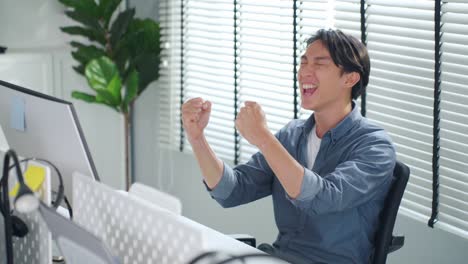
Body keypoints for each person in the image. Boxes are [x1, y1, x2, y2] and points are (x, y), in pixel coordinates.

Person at [181, 28, 396, 264]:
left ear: (350, 78)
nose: (305, 72)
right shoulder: (292, 136)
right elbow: (232, 191)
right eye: (303, 62)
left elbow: (321, 198)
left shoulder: (375, 146)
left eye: (319, 64)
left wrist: (264, 138)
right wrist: (197, 138)